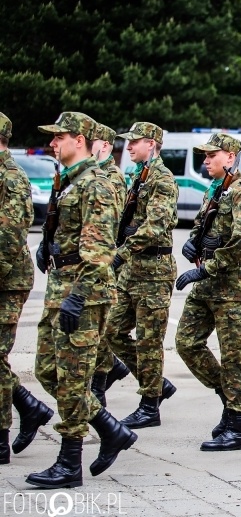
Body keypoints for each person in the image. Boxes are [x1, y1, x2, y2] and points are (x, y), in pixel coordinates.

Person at [30, 111, 136, 488]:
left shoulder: (97, 184)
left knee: (75, 378)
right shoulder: (70, 181)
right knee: (47, 369)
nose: (53, 143)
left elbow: (101, 248)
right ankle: (111, 430)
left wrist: (77, 297)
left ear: (80, 140)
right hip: (62, 286)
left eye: (60, 137)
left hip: (83, 293)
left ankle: (69, 462)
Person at [174, 133, 241, 451]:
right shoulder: (216, 189)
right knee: (187, 343)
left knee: (235, 358)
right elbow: (203, 224)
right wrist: (193, 240)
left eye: (212, 155)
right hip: (209, 286)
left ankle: (238, 428)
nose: (206, 160)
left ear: (231, 158)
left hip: (234, 288)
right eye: (205, 155)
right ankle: (230, 399)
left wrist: (204, 268)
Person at [103, 122, 179, 429]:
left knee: (149, 341)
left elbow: (155, 226)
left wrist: (121, 252)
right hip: (132, 270)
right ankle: (156, 382)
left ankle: (150, 405)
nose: (129, 146)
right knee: (113, 331)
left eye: (135, 142)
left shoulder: (162, 180)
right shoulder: (139, 177)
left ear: (152, 144)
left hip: (154, 271)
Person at [0, 112, 53, 466]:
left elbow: (12, 233)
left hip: (7, 282)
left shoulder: (11, 177)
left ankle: (2, 437)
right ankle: (29, 407)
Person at [88, 123, 127, 407]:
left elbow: (109, 227)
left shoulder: (111, 178)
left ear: (104, 146)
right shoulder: (90, 175)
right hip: (93, 262)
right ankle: (108, 370)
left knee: (102, 327)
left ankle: (100, 383)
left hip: (105, 262)